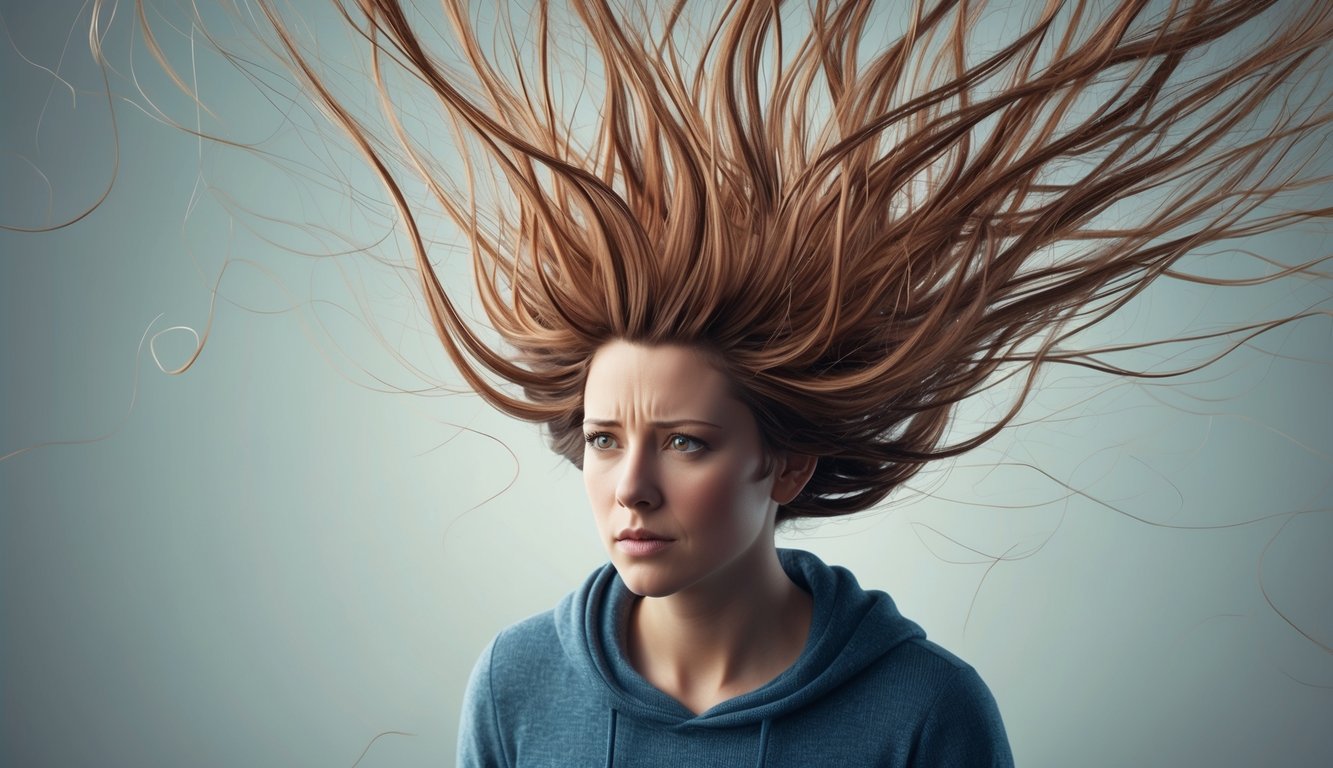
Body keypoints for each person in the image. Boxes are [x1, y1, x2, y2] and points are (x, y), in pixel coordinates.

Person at [51, 0, 1331, 764]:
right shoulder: (514, 688)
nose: (632, 488)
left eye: (686, 446)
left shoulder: (924, 711)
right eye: (603, 441)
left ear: (786, 460)